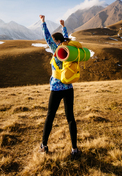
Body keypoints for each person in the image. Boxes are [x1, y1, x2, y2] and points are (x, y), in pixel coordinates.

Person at [39, 15, 81, 159]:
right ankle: (74, 149)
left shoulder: (56, 50)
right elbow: (65, 38)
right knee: (70, 118)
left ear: (56, 42)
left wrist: (43, 22)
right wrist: (63, 27)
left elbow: (47, 37)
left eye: (54, 41)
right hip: (68, 88)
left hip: (56, 89)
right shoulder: (68, 49)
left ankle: (44, 145)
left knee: (50, 116)